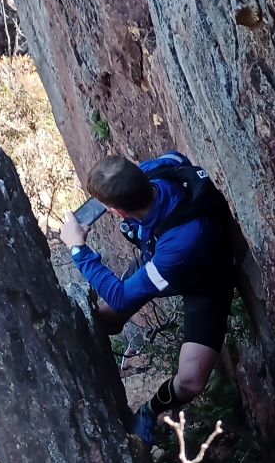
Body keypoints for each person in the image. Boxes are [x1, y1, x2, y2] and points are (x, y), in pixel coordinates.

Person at [60, 151, 238, 444]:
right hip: (160, 259)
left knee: (191, 381)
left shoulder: (182, 241)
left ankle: (149, 411)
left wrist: (78, 248)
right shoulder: (156, 169)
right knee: (107, 319)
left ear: (119, 212)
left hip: (204, 280)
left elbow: (121, 297)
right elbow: (174, 158)